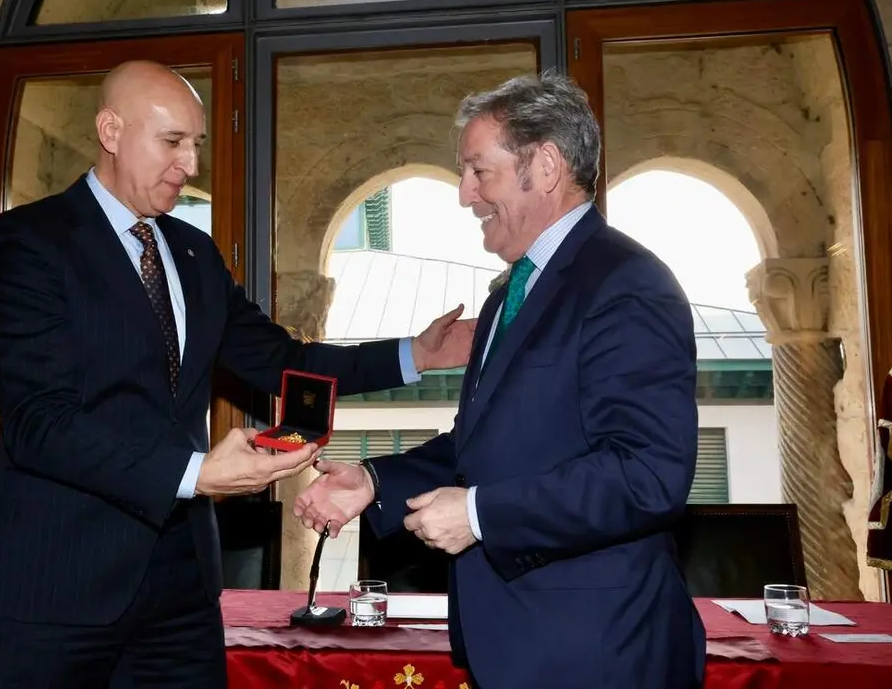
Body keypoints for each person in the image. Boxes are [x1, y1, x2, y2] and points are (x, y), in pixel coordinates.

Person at [0, 60, 476, 688]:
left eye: (198, 144)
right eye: (172, 142)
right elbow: (39, 424)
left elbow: (284, 360)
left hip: (181, 592)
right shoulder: (28, 242)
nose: (191, 164)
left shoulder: (192, 253)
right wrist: (196, 473)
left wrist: (416, 356)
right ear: (110, 130)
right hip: (55, 589)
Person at [295, 70, 706, 689]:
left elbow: (648, 473)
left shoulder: (626, 282)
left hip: (599, 649)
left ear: (544, 166)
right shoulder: (505, 298)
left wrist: (483, 514)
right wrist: (374, 480)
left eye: (478, 171)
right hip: (517, 643)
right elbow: (478, 446)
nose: (465, 194)